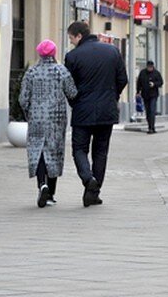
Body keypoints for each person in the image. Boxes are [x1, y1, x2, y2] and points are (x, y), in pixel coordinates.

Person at [64, 21, 128, 207]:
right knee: (100, 152)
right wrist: (111, 96)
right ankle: (94, 191)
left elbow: (69, 86)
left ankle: (87, 179)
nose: (71, 42)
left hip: (82, 111)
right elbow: (122, 79)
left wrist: (75, 102)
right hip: (106, 112)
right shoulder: (112, 51)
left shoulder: (73, 56)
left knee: (79, 149)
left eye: (71, 38)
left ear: (79, 36)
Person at [19, 40, 77, 207]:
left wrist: (28, 112)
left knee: (38, 152)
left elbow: (23, 99)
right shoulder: (61, 71)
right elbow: (72, 93)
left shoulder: (31, 72)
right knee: (54, 152)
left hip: (36, 118)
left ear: (39, 53)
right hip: (56, 119)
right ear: (54, 53)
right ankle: (50, 193)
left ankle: (41, 185)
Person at [135, 60, 163, 134]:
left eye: (151, 67)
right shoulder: (142, 73)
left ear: (153, 67)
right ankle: (149, 126)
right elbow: (139, 83)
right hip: (145, 95)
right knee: (148, 112)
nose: (149, 68)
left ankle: (152, 128)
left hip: (153, 95)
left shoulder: (156, 73)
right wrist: (138, 92)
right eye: (148, 67)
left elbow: (161, 82)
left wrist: (154, 84)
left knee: (152, 110)